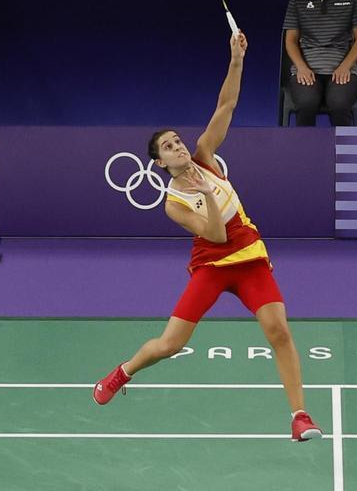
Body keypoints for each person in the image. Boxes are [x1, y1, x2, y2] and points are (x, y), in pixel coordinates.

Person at [93, 32, 323, 443]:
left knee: (279, 331)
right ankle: (122, 372)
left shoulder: (205, 155)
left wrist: (236, 59)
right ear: (159, 163)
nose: (178, 146)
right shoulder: (174, 202)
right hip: (213, 266)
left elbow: (227, 105)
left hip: (249, 257)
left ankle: (300, 416)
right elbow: (215, 234)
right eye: (168, 146)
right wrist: (205, 196)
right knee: (170, 344)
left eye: (177, 140)